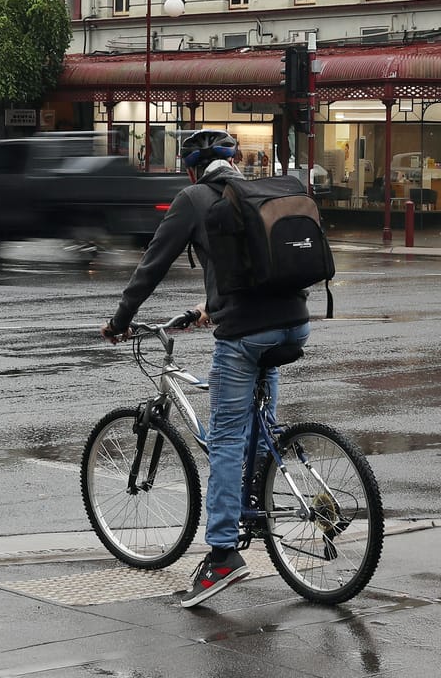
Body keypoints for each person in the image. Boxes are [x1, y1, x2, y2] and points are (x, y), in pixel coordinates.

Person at [101, 129, 310, 608]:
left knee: (226, 441)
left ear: (192, 168)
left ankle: (220, 558)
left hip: (245, 336)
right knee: (260, 428)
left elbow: (151, 266)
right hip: (293, 325)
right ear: (234, 162)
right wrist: (206, 308)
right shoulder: (260, 193)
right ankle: (257, 507)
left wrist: (119, 322)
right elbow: (252, 272)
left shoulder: (194, 199)